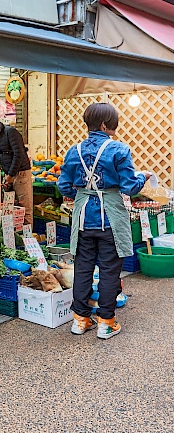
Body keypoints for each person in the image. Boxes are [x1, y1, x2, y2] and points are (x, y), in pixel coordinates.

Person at [57, 103, 151, 340]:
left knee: (83, 267)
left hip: (82, 218)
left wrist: (76, 192)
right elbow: (130, 187)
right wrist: (142, 176)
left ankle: (80, 320)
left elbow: (64, 186)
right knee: (110, 270)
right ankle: (106, 322)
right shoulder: (119, 150)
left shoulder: (73, 150)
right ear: (105, 125)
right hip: (109, 217)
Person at [0, 115, 33, 225]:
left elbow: (19, 154)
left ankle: (28, 237)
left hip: (20, 174)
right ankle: (13, 236)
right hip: (9, 175)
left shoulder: (10, 132)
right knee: (10, 209)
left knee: (25, 209)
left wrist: (11, 175)